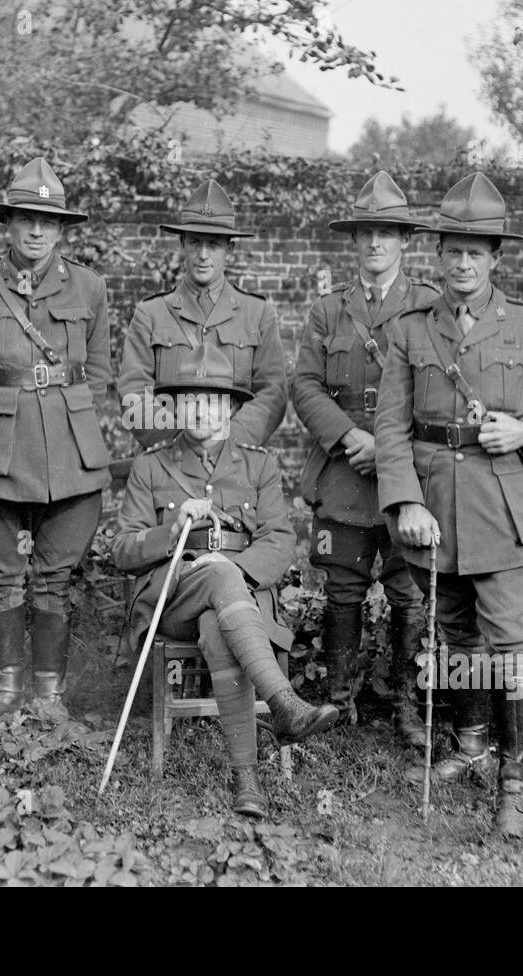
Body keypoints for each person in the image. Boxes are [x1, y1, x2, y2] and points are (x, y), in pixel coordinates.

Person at [374, 172, 523, 836]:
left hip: (508, 511)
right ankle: (469, 743)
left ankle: (514, 785)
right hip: (436, 513)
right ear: (437, 255)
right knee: (459, 637)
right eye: (452, 251)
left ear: (495, 257)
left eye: (476, 251)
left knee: (509, 645)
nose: (463, 263)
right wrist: (404, 500)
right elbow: (391, 426)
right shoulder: (408, 330)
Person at [113, 343, 340, 817]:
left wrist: (234, 571)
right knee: (216, 575)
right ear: (174, 407)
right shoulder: (150, 466)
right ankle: (283, 701)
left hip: (241, 603)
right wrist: (172, 532)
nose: (200, 410)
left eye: (213, 399)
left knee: (219, 623)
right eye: (189, 399)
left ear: (232, 407)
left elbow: (280, 539)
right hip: (172, 599)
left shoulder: (259, 464)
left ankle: (247, 781)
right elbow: (122, 550)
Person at [0, 158, 111, 720]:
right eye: (25, 219)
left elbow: (100, 372)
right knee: (2, 577)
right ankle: (8, 693)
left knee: (56, 578)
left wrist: (75, 418)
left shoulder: (90, 287)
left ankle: (49, 697)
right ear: (7, 224)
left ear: (61, 230)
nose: (36, 231)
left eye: (48, 221)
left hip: (69, 456)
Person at [291, 171, 439, 738]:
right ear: (353, 242)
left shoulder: (427, 306)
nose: (376, 243)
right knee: (343, 589)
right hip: (345, 472)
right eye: (366, 233)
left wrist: (389, 447)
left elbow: (434, 392)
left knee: (407, 590)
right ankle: (337, 700)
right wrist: (348, 438)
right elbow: (304, 385)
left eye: (388, 233)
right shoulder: (329, 311)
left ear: (405, 241)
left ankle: (404, 705)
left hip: (401, 474)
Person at [118, 179, 286, 450]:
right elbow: (133, 393)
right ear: (182, 244)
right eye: (195, 242)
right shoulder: (151, 314)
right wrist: (177, 444)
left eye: (214, 244)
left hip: (236, 464)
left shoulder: (257, 314)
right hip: (168, 464)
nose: (203, 254)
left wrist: (229, 444)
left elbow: (273, 393)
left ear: (230, 250)